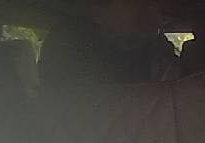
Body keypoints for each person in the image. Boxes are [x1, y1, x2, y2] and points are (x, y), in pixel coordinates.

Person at [38, 0, 178, 90]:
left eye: (154, 6)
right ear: (97, 10)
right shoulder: (67, 46)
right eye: (139, 4)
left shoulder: (158, 49)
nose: (153, 14)